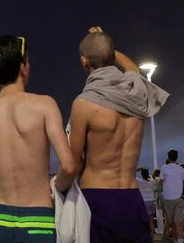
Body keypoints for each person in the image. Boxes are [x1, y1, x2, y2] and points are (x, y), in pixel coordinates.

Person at [0, 35, 77, 243]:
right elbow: (68, 166)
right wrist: (54, 186)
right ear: (23, 66)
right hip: (37, 219)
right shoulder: (44, 105)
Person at [55, 27, 168, 243]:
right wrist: (106, 46)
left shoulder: (84, 104)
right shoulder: (137, 93)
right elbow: (132, 68)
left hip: (97, 199)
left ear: (83, 61)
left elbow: (73, 164)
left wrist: (56, 189)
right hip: (132, 198)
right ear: (111, 56)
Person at [159, 150, 184, 243]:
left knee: (171, 222)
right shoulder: (181, 169)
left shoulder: (163, 168)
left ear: (168, 157)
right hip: (179, 197)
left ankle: (177, 239)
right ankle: (179, 240)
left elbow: (161, 181)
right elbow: (183, 182)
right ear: (177, 157)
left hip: (167, 199)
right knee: (178, 221)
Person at [136, 169, 156, 239]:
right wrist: (150, 177)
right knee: (151, 220)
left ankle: (143, 236)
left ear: (141, 174)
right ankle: (152, 237)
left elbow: (131, 175)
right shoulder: (152, 182)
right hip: (151, 202)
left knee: (142, 220)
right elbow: (153, 183)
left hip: (143, 202)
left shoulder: (139, 181)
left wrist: (137, 170)